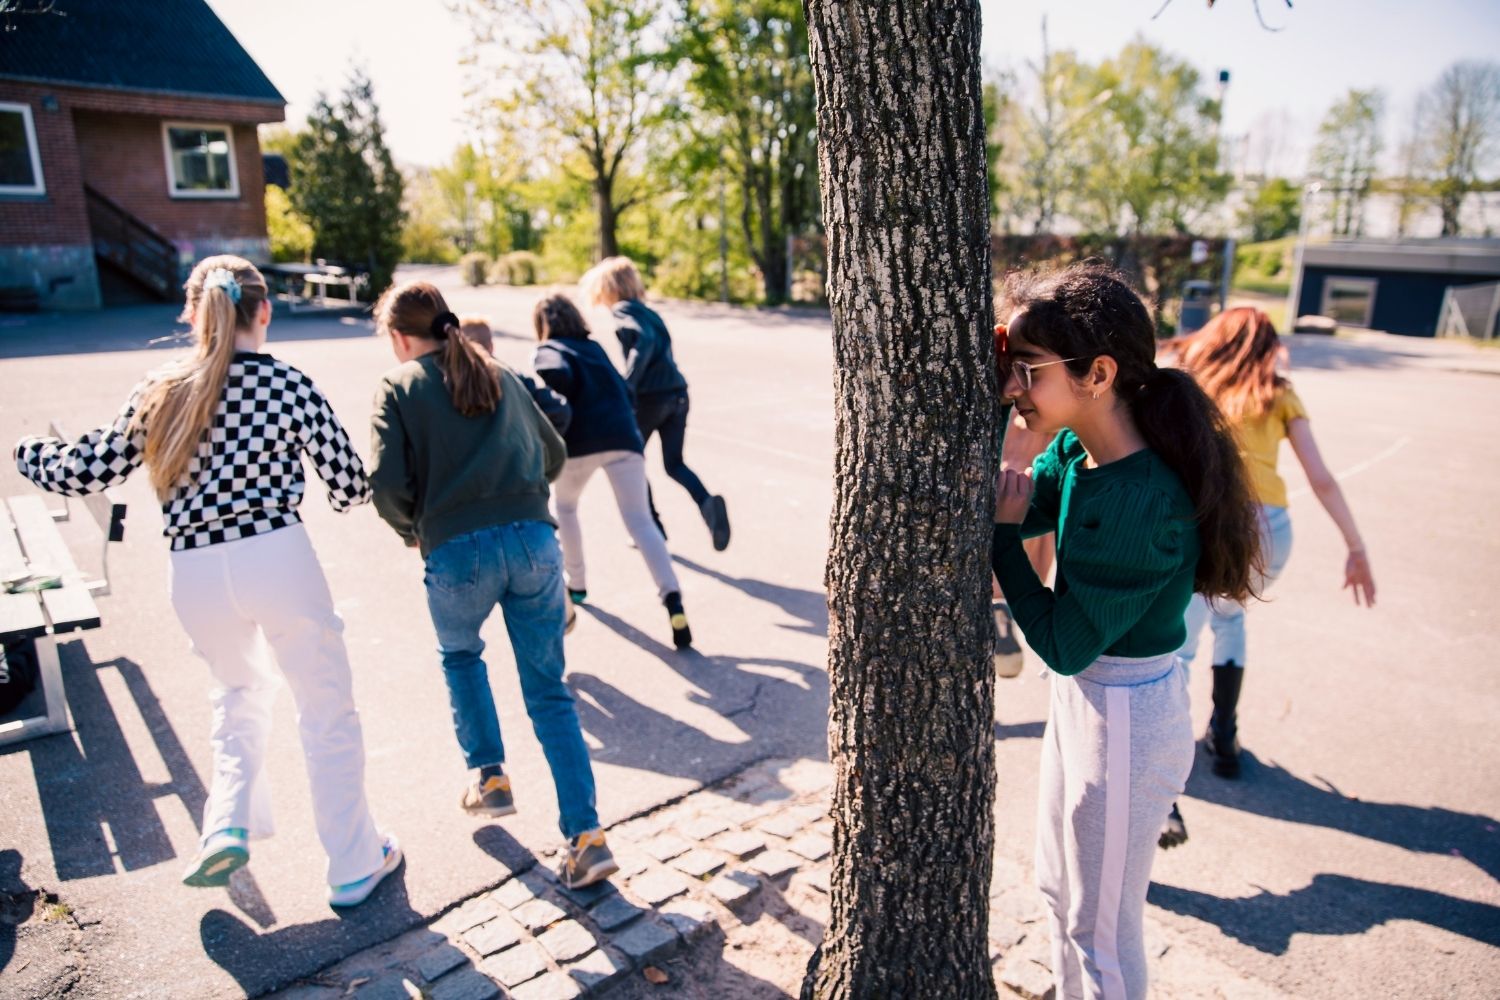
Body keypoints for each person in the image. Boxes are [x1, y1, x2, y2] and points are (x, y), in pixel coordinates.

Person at [13, 256, 399, 907]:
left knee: (237, 694)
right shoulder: (286, 384)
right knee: (325, 707)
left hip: (193, 570)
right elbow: (349, 485)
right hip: (277, 555)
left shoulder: (163, 388)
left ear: (192, 314)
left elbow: (86, 469)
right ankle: (354, 863)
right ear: (265, 311)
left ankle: (226, 823)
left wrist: (27, 450)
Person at [991, 263, 1261, 1000]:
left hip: (1129, 721)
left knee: (1100, 930)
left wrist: (1002, 545)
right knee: (1055, 894)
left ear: (1099, 372)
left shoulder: (1146, 502)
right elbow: (1022, 503)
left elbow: (1063, 641)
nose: (1013, 385)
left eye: (1027, 370)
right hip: (1085, 701)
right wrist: (1002, 397)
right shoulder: (1080, 450)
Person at [368, 282, 619, 890]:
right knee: (549, 692)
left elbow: (384, 482)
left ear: (401, 337)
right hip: (535, 542)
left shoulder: (399, 388)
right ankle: (586, 838)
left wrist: (415, 528)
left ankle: (491, 779)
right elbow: (553, 452)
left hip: (455, 549)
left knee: (461, 657)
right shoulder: (499, 373)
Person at [1155, 306, 1377, 848]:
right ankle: (1224, 738)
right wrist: (1356, 546)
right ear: (1267, 347)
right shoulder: (1276, 391)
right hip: (1269, 531)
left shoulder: (1184, 376)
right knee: (1230, 620)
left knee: (1176, 650)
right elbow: (1320, 478)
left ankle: (1164, 793)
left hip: (1209, 519)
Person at [531, 293, 693, 650]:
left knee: (567, 508)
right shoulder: (595, 349)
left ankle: (578, 584)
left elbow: (552, 378)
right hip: (624, 437)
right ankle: (673, 599)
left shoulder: (548, 350)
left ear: (542, 325)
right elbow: (625, 388)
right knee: (640, 521)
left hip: (579, 444)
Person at [579, 256, 730, 551]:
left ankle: (651, 527)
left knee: (631, 462)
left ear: (609, 288)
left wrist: (627, 384)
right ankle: (707, 503)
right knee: (675, 464)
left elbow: (644, 342)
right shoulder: (649, 312)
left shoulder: (624, 310)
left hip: (651, 399)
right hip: (678, 395)